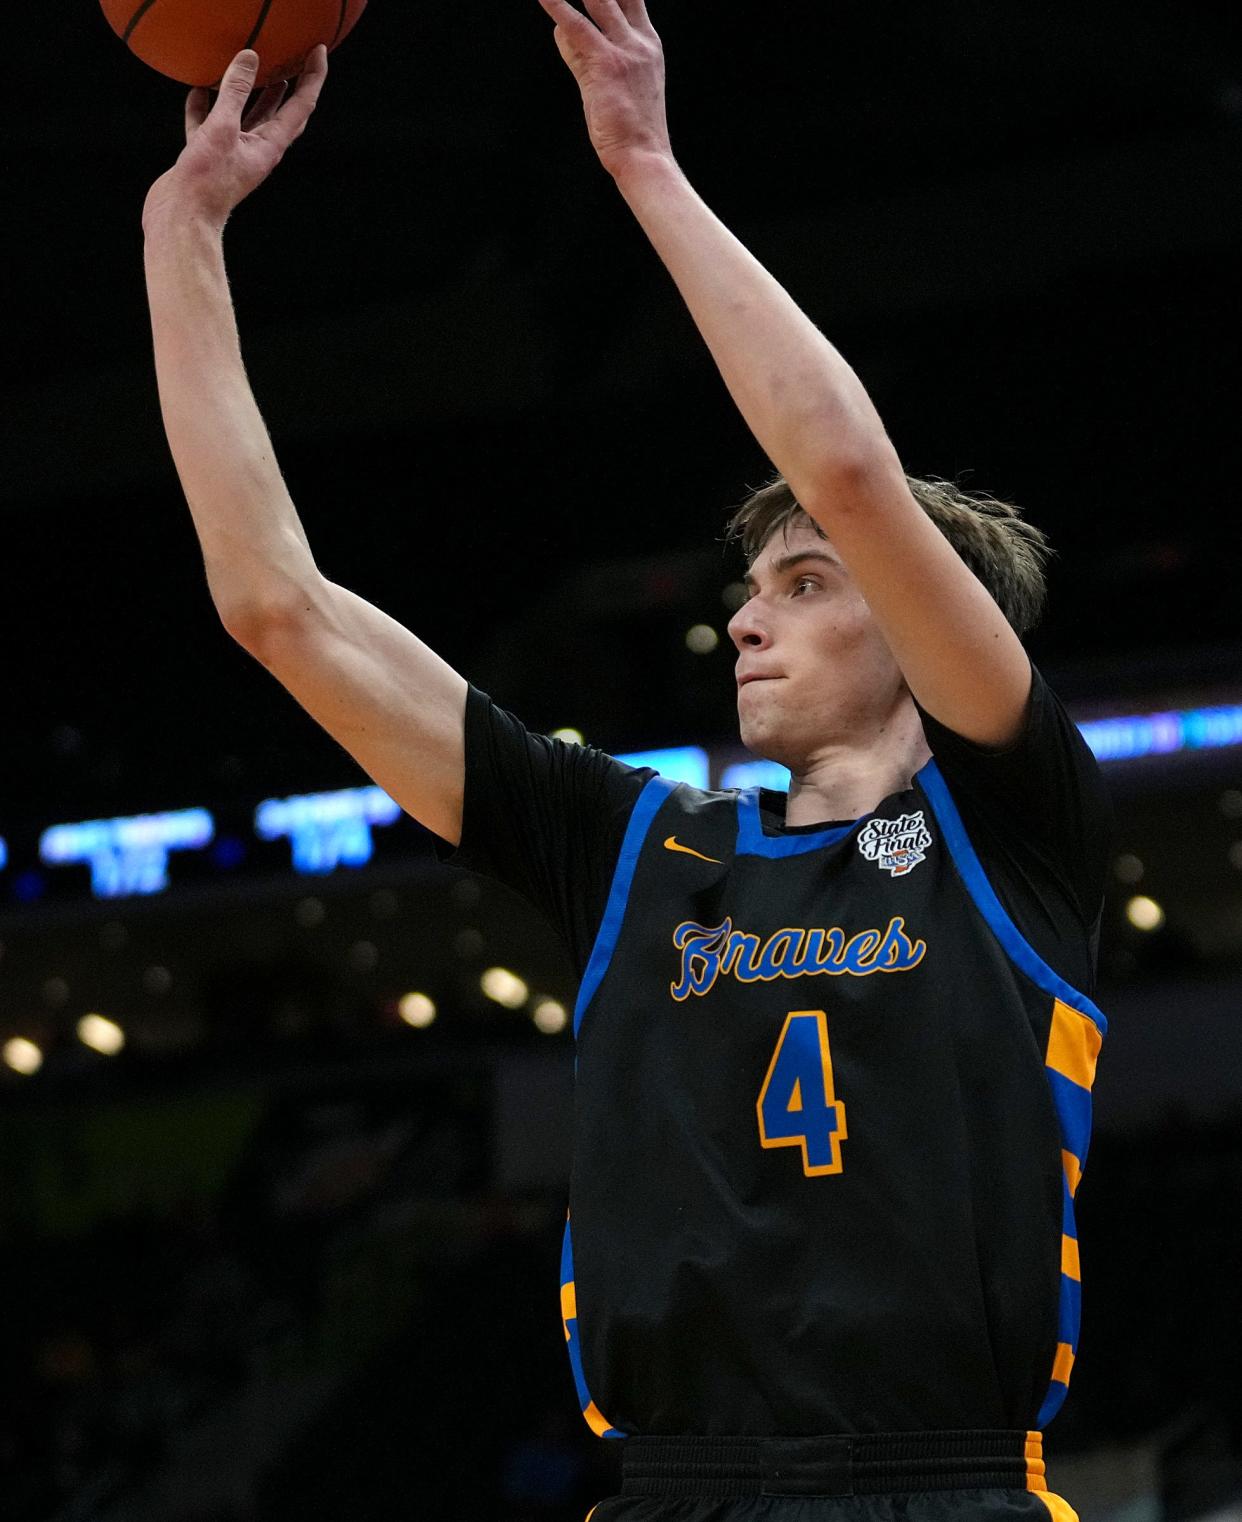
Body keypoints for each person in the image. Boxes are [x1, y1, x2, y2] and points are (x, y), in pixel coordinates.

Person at [141, 5, 1112, 1520]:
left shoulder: (1014, 820)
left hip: (942, 1487)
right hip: (668, 1490)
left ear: (934, 622)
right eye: (751, 589)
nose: (743, 619)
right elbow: (274, 605)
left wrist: (644, 163)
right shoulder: (633, 852)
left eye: (804, 583)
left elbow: (847, 473)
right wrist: (180, 231)